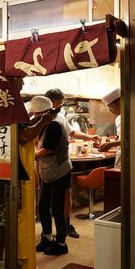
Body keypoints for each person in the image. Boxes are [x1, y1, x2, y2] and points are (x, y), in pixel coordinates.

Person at [0, 103, 55, 269]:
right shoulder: (7, 107)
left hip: (1, 169)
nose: (22, 83)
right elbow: (24, 135)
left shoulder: (0, 109)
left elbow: (22, 129)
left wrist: (38, 119)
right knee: (3, 219)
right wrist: (42, 121)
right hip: (6, 172)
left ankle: (10, 261)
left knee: (9, 218)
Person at [45, 88, 101, 239]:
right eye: (60, 103)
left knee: (65, 195)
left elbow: (73, 133)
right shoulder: (41, 117)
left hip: (63, 162)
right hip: (46, 166)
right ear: (51, 102)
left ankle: (66, 225)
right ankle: (49, 233)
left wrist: (90, 137)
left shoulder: (61, 116)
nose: (61, 106)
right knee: (46, 201)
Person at [32, 96, 73, 255]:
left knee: (56, 207)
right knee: (42, 205)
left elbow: (47, 149)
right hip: (48, 170)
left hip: (60, 170)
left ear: (47, 112)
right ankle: (47, 237)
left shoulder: (55, 125)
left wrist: (32, 155)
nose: (35, 117)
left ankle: (61, 243)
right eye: (34, 114)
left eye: (37, 114)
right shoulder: (43, 124)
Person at [98, 87, 121, 167]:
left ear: (119, 102)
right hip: (120, 155)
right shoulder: (118, 118)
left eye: (110, 106)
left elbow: (131, 139)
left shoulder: (131, 117)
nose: (110, 110)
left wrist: (111, 144)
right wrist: (109, 144)